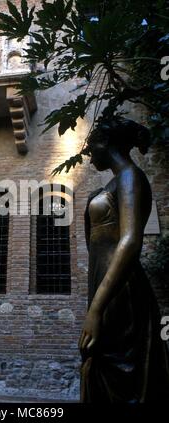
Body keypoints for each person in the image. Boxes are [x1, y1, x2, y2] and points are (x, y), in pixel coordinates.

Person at [79, 117, 169, 402]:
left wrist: (95, 309)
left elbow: (130, 241)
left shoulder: (131, 177)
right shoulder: (116, 181)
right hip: (106, 284)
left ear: (106, 144)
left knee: (117, 368)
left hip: (121, 290)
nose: (89, 155)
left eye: (92, 148)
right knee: (100, 358)